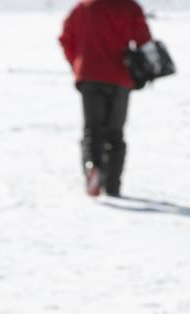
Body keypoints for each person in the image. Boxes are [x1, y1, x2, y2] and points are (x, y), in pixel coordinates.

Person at [58, 0, 151, 198]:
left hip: (89, 75)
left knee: (92, 130)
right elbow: (144, 41)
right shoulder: (129, 7)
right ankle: (113, 186)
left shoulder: (83, 7)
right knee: (115, 133)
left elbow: (66, 38)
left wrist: (76, 62)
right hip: (120, 77)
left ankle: (93, 169)